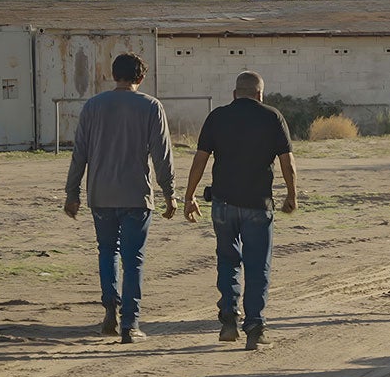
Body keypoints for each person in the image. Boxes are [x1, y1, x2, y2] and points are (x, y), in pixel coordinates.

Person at [64, 52, 176, 344]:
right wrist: (170, 193)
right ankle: (131, 323)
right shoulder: (151, 106)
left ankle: (110, 310)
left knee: (107, 252)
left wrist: (72, 192)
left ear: (113, 76)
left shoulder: (93, 106)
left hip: (101, 194)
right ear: (141, 78)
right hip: (136, 195)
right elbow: (161, 154)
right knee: (133, 259)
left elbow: (80, 153)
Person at [183, 70, 297, 351]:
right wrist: (292, 195)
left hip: (223, 203)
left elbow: (200, 160)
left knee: (227, 260)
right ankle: (255, 328)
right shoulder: (272, 116)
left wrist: (189, 196)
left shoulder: (217, 117)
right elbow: (287, 161)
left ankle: (229, 321)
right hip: (258, 204)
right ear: (260, 94)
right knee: (258, 267)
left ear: (235, 94)